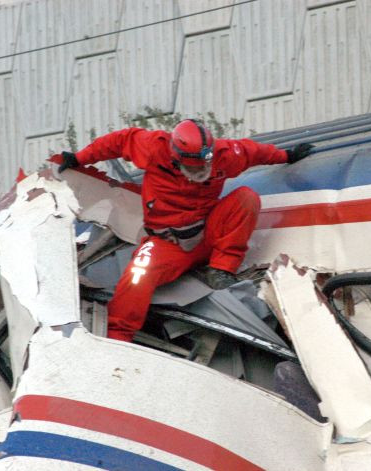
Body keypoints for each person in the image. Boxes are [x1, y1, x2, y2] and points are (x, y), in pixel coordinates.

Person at [52, 119, 313, 342]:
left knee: (246, 197)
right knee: (137, 276)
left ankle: (221, 270)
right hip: (169, 244)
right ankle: (118, 338)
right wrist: (79, 158)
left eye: (204, 166)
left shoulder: (226, 154)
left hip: (208, 233)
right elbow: (117, 141)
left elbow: (254, 152)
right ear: (176, 160)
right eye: (194, 167)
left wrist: (287, 156)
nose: (200, 171)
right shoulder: (153, 147)